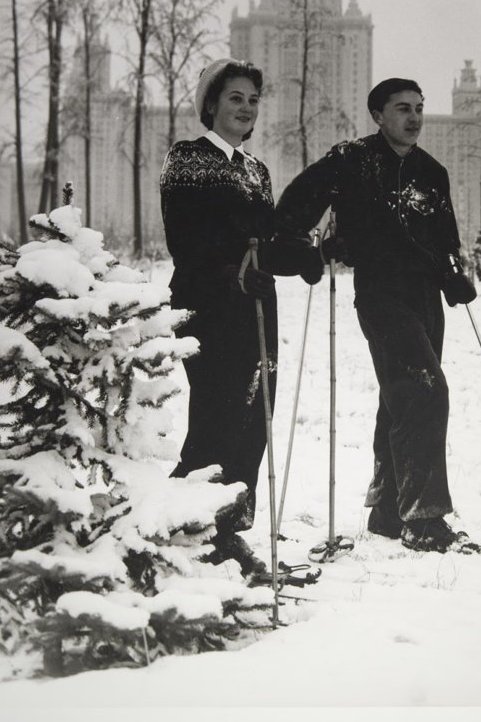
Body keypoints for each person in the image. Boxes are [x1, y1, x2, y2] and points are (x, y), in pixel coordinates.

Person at [274, 77, 477, 553]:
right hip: (381, 295)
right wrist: (312, 249)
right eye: (402, 108)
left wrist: (452, 275)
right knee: (428, 391)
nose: (414, 117)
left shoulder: (432, 171)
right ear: (378, 115)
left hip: (425, 295)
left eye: (420, 108)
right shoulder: (351, 161)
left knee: (402, 397)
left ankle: (387, 511)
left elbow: (444, 239)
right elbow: (293, 209)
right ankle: (424, 518)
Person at [159, 58, 320, 576]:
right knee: (217, 420)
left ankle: (225, 534)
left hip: (255, 309)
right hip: (208, 307)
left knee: (254, 422)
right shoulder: (187, 159)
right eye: (235, 98)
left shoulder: (257, 170)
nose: (246, 108)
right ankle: (183, 529)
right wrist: (234, 272)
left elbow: (267, 241)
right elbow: (189, 242)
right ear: (211, 104)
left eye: (253, 99)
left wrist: (305, 256)